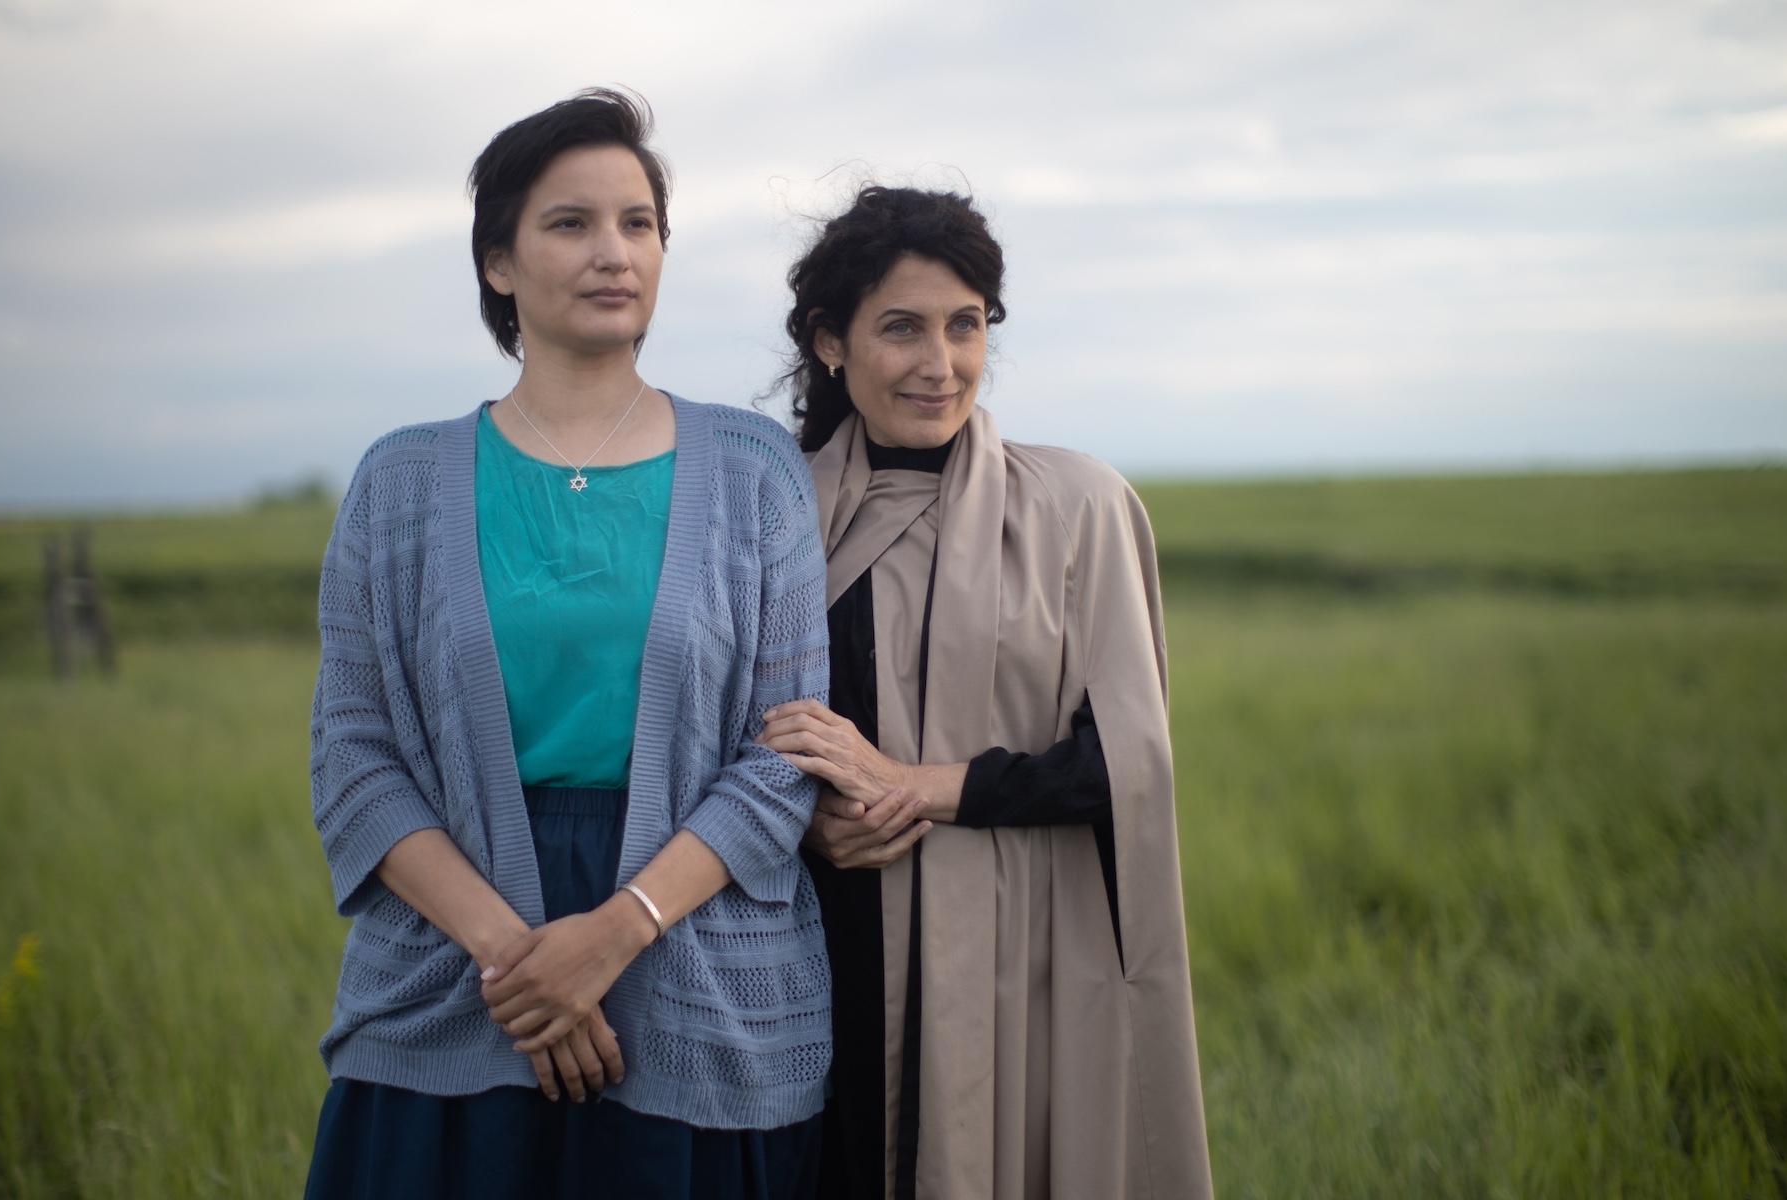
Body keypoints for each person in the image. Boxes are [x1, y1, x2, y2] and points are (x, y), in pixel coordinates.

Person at [302, 89, 831, 1200]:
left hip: (695, 960)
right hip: (455, 963)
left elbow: (784, 758)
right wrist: (516, 958)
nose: (613, 253)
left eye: (639, 224)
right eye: (570, 223)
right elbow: (354, 758)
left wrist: (617, 931)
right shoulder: (400, 484)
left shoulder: (754, 471)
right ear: (499, 263)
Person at [756, 186, 1212, 1199]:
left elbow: (1120, 763)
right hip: (810, 956)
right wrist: (808, 825)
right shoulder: (766, 514)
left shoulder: (1075, 507)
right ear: (832, 342)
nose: (941, 362)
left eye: (966, 326)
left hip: (1013, 957)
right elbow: (709, 742)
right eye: (902, 328)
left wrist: (915, 786)